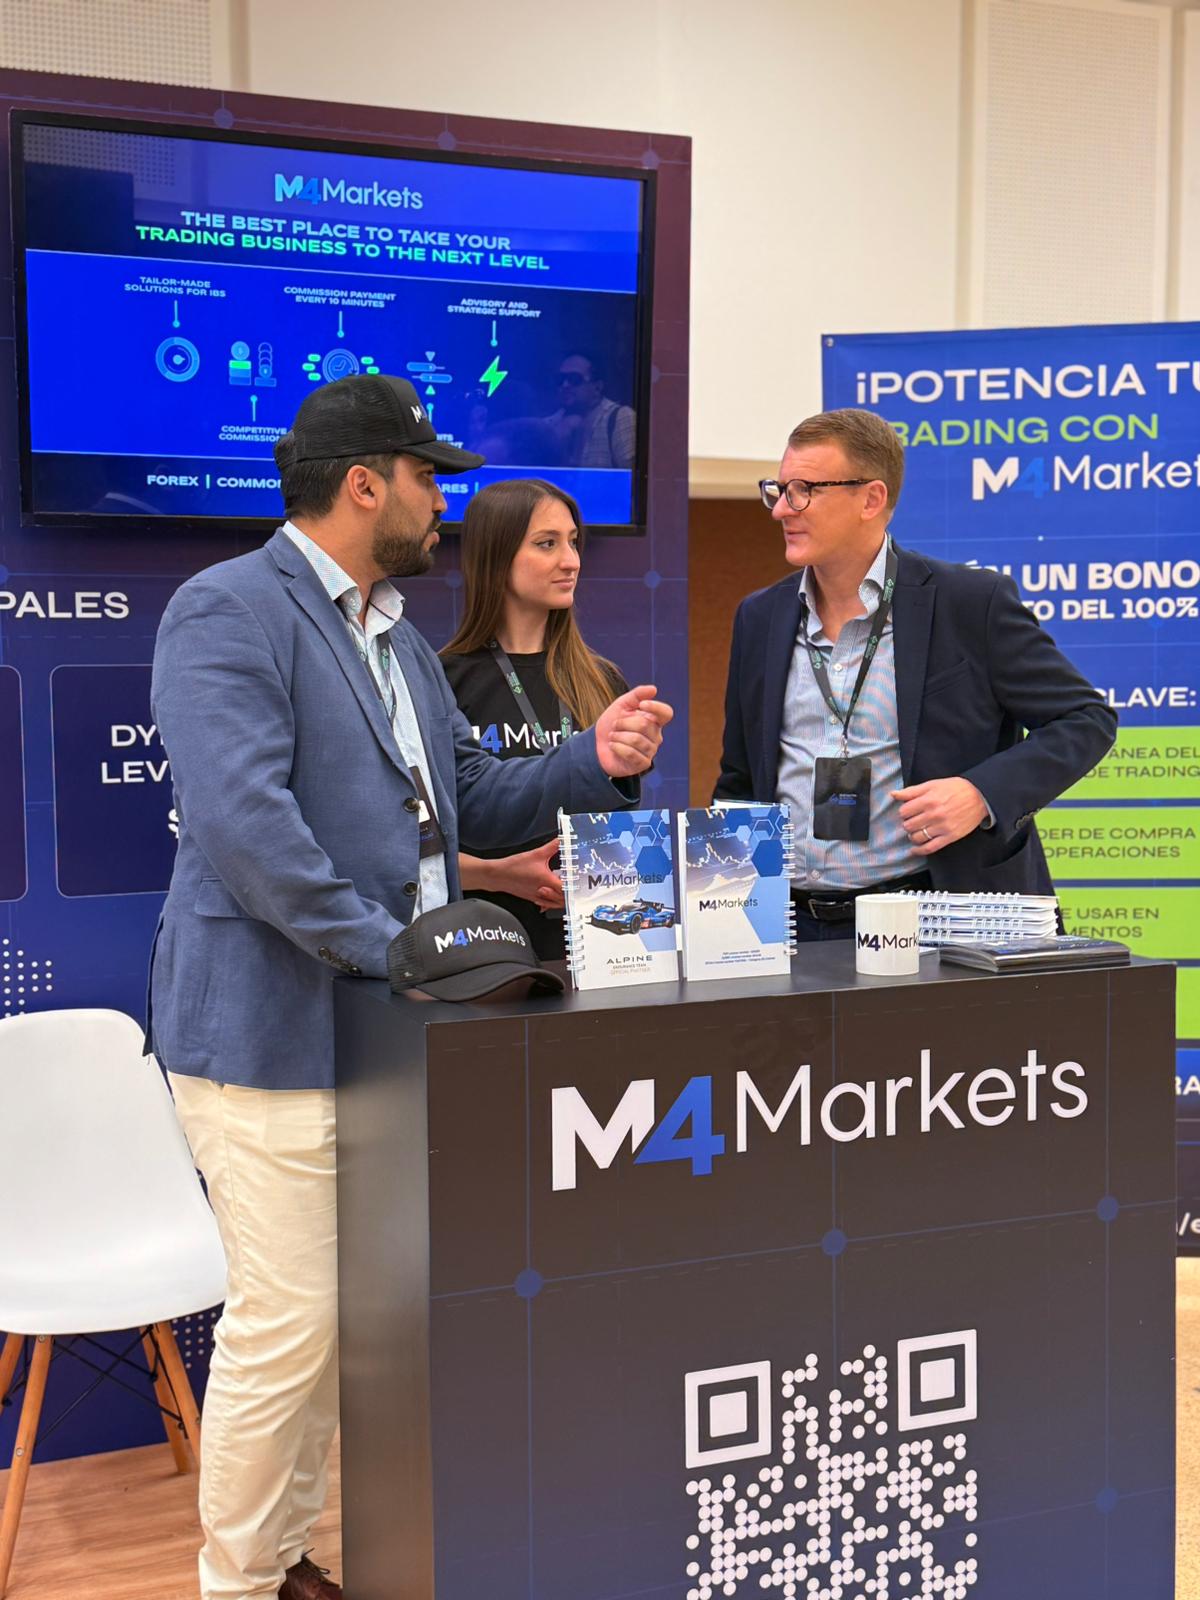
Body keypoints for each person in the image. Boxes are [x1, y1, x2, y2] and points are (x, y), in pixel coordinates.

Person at [146, 373, 671, 1600]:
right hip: (270, 1032)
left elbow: (464, 799)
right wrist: (395, 950)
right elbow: (247, 829)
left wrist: (589, 757)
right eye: (429, 478)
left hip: (381, 1034)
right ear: (362, 484)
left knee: (345, 1328)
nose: (445, 502)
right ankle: (238, 1581)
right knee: (290, 1323)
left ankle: (292, 1556)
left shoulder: (391, 634)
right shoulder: (227, 608)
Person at [714, 406, 1117, 940]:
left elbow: (1085, 719)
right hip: (791, 928)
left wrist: (980, 793)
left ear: (871, 499)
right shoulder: (759, 617)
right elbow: (742, 778)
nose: (782, 509)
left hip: (934, 922)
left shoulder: (971, 603)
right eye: (780, 489)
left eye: (805, 490)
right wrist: (728, 923)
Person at [440, 478, 628, 960]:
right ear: (496, 556)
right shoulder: (441, 680)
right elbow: (415, 847)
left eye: (573, 542)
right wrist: (495, 875)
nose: (571, 561)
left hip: (597, 945)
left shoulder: (603, 680)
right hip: (482, 946)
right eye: (547, 544)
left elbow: (622, 832)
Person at [546, 351, 636, 468]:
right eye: (560, 379)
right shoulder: (550, 424)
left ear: (597, 387)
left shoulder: (620, 418)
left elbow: (633, 474)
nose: (565, 385)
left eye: (574, 379)